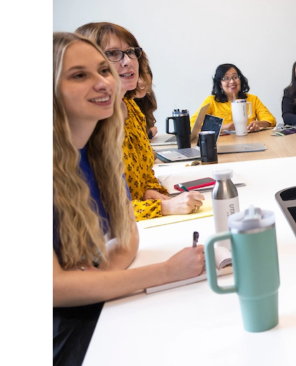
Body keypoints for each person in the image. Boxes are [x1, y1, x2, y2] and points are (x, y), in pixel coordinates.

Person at [51, 32, 206, 366]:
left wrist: (103, 279)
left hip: (86, 306)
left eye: (103, 70)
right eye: (79, 75)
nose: (103, 81)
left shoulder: (99, 153)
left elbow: (128, 237)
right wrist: (165, 273)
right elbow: (55, 288)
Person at [76, 22, 204, 220]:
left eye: (130, 51)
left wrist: (148, 190)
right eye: (113, 53)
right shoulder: (86, 126)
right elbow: (96, 210)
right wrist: (164, 208)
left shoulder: (131, 107)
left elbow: (144, 173)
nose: (128, 61)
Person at [194, 64, 276, 132]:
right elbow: (193, 124)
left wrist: (259, 124)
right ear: (220, 84)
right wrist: (222, 126)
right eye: (226, 78)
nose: (232, 81)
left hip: (249, 140)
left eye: (235, 77)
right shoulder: (211, 101)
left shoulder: (252, 99)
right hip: (223, 144)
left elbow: (271, 120)